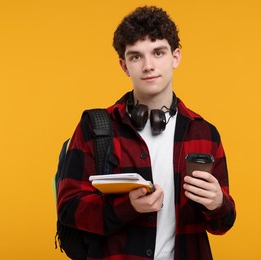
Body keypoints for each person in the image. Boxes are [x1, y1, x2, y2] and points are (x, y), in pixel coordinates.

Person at [57, 6, 236, 260]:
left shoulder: (205, 133)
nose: (149, 66)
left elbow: (223, 224)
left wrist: (218, 203)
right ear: (124, 65)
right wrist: (127, 207)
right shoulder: (95, 127)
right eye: (136, 56)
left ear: (175, 57)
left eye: (158, 52)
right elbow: (68, 209)